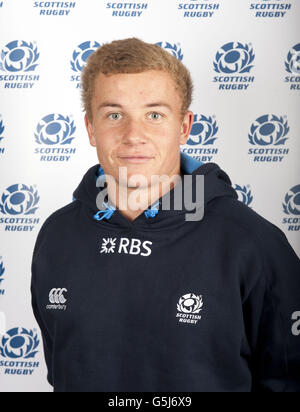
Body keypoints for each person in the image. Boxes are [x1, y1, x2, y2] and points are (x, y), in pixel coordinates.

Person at [31, 37, 300, 392]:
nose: (133, 135)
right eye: (114, 115)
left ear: (185, 126)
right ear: (91, 129)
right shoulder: (58, 235)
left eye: (154, 115)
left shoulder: (251, 243)